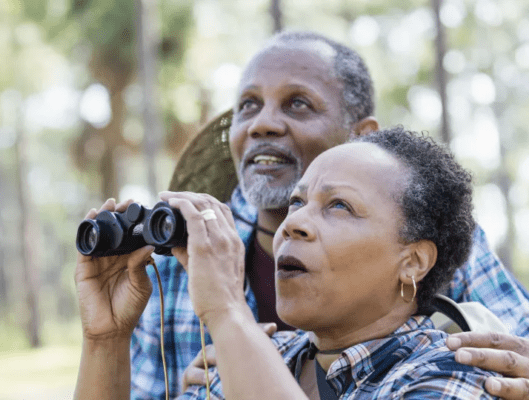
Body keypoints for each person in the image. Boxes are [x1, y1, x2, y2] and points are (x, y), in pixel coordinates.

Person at [129, 31, 529, 400]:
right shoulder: (177, 261)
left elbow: (514, 349)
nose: (262, 123)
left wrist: (227, 317)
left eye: (298, 103)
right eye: (248, 105)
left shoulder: (435, 240)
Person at [75, 127, 501, 399]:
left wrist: (227, 311)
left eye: (338, 206)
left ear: (413, 261)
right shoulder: (251, 359)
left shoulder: (455, 376)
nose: (294, 223)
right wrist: (105, 340)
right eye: (297, 202)